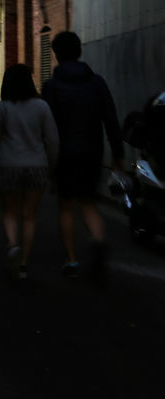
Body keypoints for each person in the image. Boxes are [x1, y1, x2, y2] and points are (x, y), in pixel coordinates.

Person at [41, 30, 124, 280]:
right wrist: (117, 154)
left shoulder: (51, 87)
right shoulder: (97, 82)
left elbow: (45, 126)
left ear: (56, 55)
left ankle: (72, 260)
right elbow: (110, 119)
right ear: (79, 51)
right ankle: (98, 241)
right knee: (88, 202)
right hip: (92, 152)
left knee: (66, 206)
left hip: (64, 155)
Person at [0, 64, 59, 280]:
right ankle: (24, 264)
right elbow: (52, 140)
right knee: (29, 216)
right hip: (37, 166)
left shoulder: (2, 107)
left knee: (9, 212)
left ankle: (12, 246)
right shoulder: (42, 107)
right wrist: (53, 166)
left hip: (8, 165)